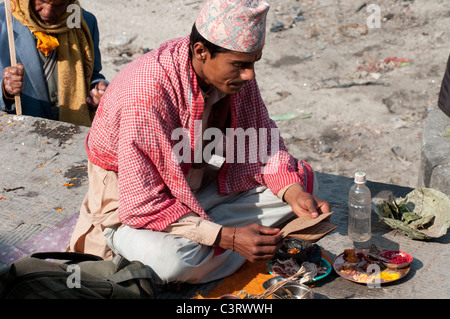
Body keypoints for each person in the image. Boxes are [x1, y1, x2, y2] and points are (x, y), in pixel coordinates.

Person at [68, 0, 331, 284]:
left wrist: (292, 192)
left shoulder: (233, 74)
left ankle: (211, 238)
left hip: (195, 186)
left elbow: (262, 143)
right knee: (173, 263)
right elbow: (142, 202)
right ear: (201, 51)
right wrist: (228, 237)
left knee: (301, 187)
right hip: (132, 206)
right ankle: (209, 240)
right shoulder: (146, 93)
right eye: (241, 66)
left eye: (254, 63)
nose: (250, 75)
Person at [0, 0, 107, 126]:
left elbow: (92, 74)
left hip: (71, 134)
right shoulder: (4, 19)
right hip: (22, 135)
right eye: (42, 1)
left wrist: (99, 90)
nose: (48, 12)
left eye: (58, 4)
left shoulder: (84, 22)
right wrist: (6, 91)